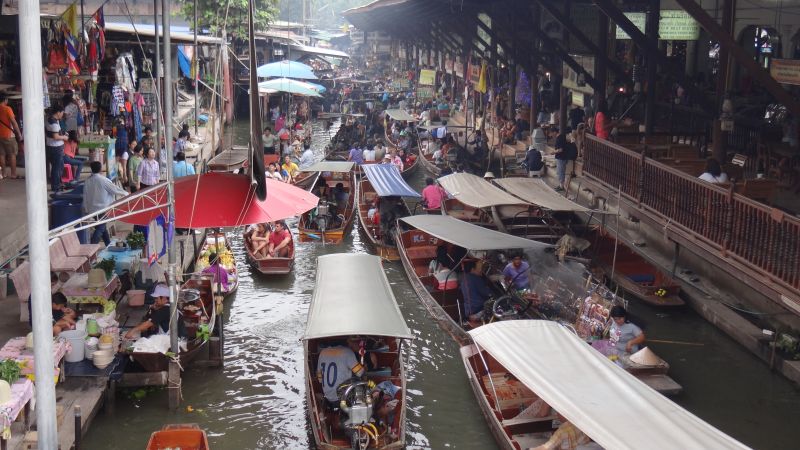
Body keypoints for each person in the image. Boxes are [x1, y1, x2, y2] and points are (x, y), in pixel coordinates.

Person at [83, 161, 129, 245]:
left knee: (101, 227)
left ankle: (108, 244)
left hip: (92, 209)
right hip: (103, 208)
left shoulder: (87, 181)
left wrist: (86, 208)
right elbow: (115, 189)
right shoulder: (103, 180)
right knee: (100, 228)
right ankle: (92, 246)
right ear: (100, 169)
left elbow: (85, 195)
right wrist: (126, 194)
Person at [46, 105, 69, 192]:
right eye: (62, 113)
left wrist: (63, 134)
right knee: (57, 168)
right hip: (56, 148)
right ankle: (55, 186)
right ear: (58, 112)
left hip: (51, 146)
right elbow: (55, 136)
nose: (63, 114)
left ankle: (58, 184)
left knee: (59, 166)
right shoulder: (54, 124)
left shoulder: (50, 120)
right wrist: (64, 137)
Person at [0, 93, 22, 179]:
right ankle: (13, 174)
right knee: (12, 154)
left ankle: (4, 173)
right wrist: (19, 133)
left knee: (1, 154)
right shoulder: (7, 108)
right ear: (5, 100)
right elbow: (13, 122)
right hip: (8, 135)